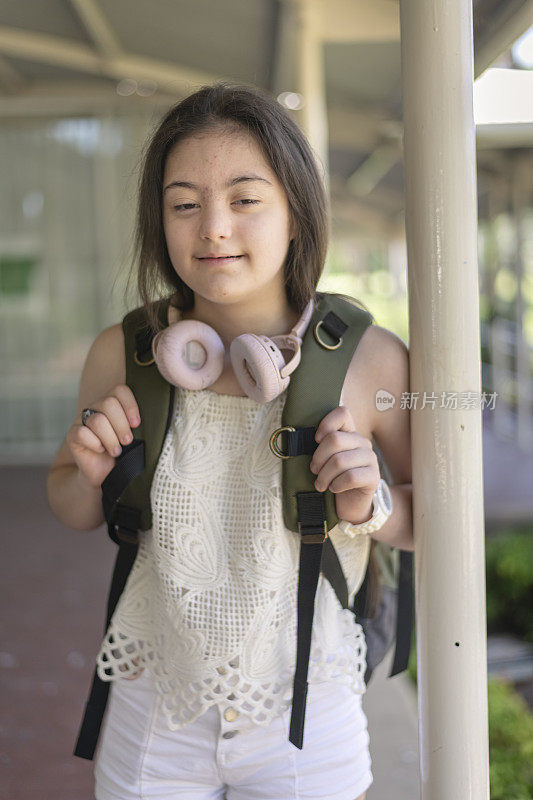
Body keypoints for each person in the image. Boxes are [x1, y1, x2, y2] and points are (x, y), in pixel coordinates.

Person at [46, 80, 413, 800]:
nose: (212, 227)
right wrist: (85, 470)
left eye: (244, 199)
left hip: (305, 716)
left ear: (296, 215)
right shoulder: (124, 354)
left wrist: (369, 505)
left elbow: (434, 519)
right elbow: (72, 506)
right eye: (184, 203)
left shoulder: (368, 361)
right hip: (153, 706)